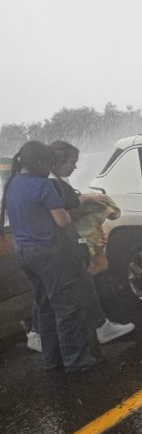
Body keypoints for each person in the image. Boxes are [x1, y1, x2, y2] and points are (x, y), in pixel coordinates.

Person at [24, 141, 134, 351]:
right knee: (57, 288)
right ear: (58, 162)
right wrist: (88, 202)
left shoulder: (52, 182)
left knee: (66, 285)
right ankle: (43, 333)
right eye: (72, 162)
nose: (75, 167)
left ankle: (98, 326)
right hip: (57, 246)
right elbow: (67, 214)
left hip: (54, 245)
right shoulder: (52, 184)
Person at [0, 141, 97, 372]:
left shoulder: (13, 183)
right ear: (41, 163)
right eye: (49, 164)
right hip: (49, 254)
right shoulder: (43, 186)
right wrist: (80, 211)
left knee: (44, 306)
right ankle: (76, 360)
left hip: (23, 252)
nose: (51, 169)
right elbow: (62, 220)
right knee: (66, 308)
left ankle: (52, 359)